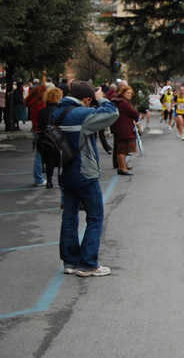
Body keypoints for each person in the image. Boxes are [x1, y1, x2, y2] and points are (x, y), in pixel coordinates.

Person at [53, 81, 118, 276]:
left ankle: (70, 262)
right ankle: (88, 264)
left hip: (65, 172)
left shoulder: (58, 112)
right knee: (95, 217)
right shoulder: (81, 114)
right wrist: (102, 99)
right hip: (84, 173)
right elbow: (112, 113)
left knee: (69, 217)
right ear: (87, 98)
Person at [111, 85, 141, 175]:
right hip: (124, 128)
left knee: (121, 150)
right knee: (123, 150)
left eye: (131, 93)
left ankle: (121, 166)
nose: (130, 95)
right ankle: (123, 168)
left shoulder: (120, 102)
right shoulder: (124, 103)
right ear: (123, 93)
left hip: (121, 127)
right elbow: (135, 114)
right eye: (128, 93)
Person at [39, 87, 63, 189]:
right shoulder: (59, 111)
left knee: (49, 161)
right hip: (57, 138)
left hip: (46, 139)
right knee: (61, 161)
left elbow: (40, 125)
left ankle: (49, 181)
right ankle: (61, 183)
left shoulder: (43, 111)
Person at [26, 85, 47, 186]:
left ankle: (39, 177)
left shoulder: (33, 103)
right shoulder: (40, 105)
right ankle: (38, 178)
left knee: (40, 155)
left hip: (36, 129)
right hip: (41, 130)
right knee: (40, 155)